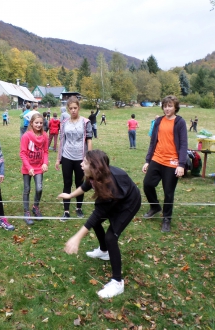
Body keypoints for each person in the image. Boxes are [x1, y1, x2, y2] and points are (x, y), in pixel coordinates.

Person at [60, 150, 141, 298]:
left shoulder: (108, 186)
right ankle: (104, 251)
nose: (81, 164)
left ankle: (117, 282)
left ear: (94, 166)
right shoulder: (95, 175)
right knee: (98, 225)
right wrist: (70, 195)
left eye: (84, 162)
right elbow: (86, 186)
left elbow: (95, 216)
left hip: (129, 203)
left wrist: (76, 238)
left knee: (111, 237)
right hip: (116, 199)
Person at [142, 95, 188, 232]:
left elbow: (184, 144)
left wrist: (181, 164)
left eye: (170, 106)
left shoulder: (180, 122)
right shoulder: (158, 121)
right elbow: (153, 142)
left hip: (172, 162)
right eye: (165, 106)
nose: (167, 109)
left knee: (169, 192)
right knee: (147, 184)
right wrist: (147, 161)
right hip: (157, 159)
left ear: (175, 107)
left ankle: (166, 219)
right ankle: (155, 206)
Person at [55, 96, 93, 221]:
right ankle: (66, 211)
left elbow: (89, 141)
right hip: (67, 157)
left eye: (75, 108)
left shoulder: (86, 122)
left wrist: (89, 159)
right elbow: (62, 141)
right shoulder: (64, 123)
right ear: (68, 109)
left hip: (80, 158)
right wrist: (58, 159)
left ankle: (79, 208)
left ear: (79, 108)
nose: (73, 110)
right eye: (70, 108)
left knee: (79, 183)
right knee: (67, 183)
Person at [20, 113, 49, 225]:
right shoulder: (26, 136)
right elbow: (22, 153)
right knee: (27, 189)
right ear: (31, 123)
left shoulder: (45, 136)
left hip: (39, 167)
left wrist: (45, 163)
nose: (39, 125)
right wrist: (28, 167)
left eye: (41, 123)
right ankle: (26, 211)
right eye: (36, 123)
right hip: (28, 167)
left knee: (39, 188)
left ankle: (35, 207)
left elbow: (46, 151)